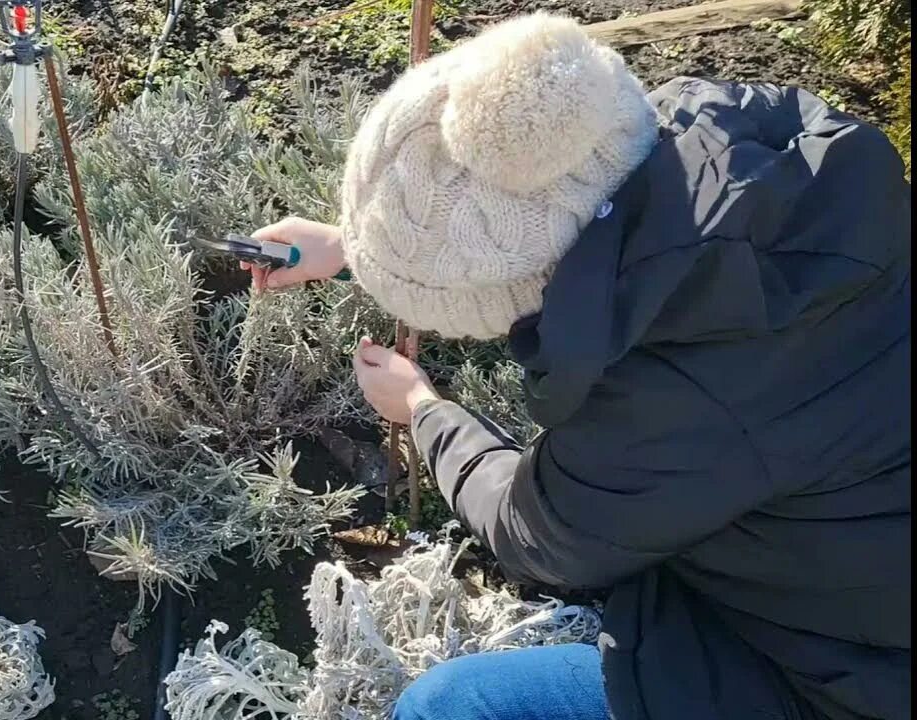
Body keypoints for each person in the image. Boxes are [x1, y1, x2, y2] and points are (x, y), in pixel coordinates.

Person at [243, 12, 911, 720]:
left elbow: (534, 535)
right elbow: (564, 230)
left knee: (451, 707)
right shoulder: (733, 137)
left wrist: (424, 413)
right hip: (860, 562)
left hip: (850, 679)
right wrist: (356, 250)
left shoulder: (664, 404)